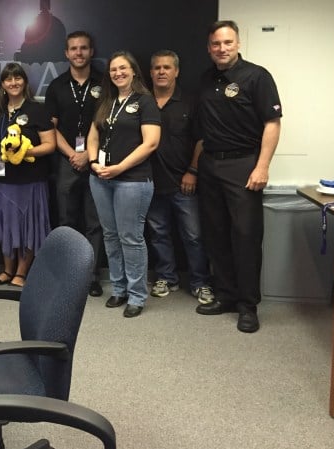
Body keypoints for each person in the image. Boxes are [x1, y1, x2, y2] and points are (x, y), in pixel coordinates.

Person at [194, 20, 282, 333]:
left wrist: (262, 166)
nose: (221, 48)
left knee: (245, 237)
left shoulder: (256, 76)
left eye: (227, 43)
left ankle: (248, 306)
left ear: (238, 44)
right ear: (209, 48)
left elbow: (272, 123)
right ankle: (227, 295)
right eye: (216, 44)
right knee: (216, 234)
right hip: (211, 165)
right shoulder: (205, 79)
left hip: (244, 166)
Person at [87, 51, 160, 318]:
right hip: (101, 179)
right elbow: (93, 134)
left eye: (123, 68)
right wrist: (94, 162)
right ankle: (118, 288)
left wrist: (119, 167)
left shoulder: (145, 101)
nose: (118, 73)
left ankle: (137, 295)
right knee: (110, 235)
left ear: (134, 71)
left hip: (132, 180)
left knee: (131, 238)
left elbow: (150, 143)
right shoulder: (106, 102)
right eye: (113, 69)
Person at [147, 50, 214, 304]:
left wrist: (193, 171)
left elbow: (201, 139)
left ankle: (200, 282)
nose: (161, 72)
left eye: (166, 67)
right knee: (158, 234)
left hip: (185, 182)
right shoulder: (143, 101)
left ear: (177, 71)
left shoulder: (190, 101)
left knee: (194, 236)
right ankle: (166, 277)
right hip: (151, 183)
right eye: (156, 68)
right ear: (150, 72)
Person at [0, 63, 56, 287]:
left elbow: (50, 145)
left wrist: (24, 152)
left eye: (17, 78)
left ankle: (21, 273)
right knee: (6, 227)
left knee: (28, 227)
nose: (13, 83)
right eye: (8, 79)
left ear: (24, 81)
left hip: (30, 180)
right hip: (1, 181)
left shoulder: (37, 110)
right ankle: (6, 270)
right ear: (2, 85)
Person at [44, 31, 106, 296]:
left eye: (83, 48)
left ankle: (91, 276)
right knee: (66, 221)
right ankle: (68, 275)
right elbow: (50, 129)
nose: (78, 53)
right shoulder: (56, 86)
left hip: (96, 161)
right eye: (73, 49)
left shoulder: (105, 83)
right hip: (66, 161)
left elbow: (109, 125)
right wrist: (73, 154)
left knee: (94, 222)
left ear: (91, 51)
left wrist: (87, 156)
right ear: (66, 53)